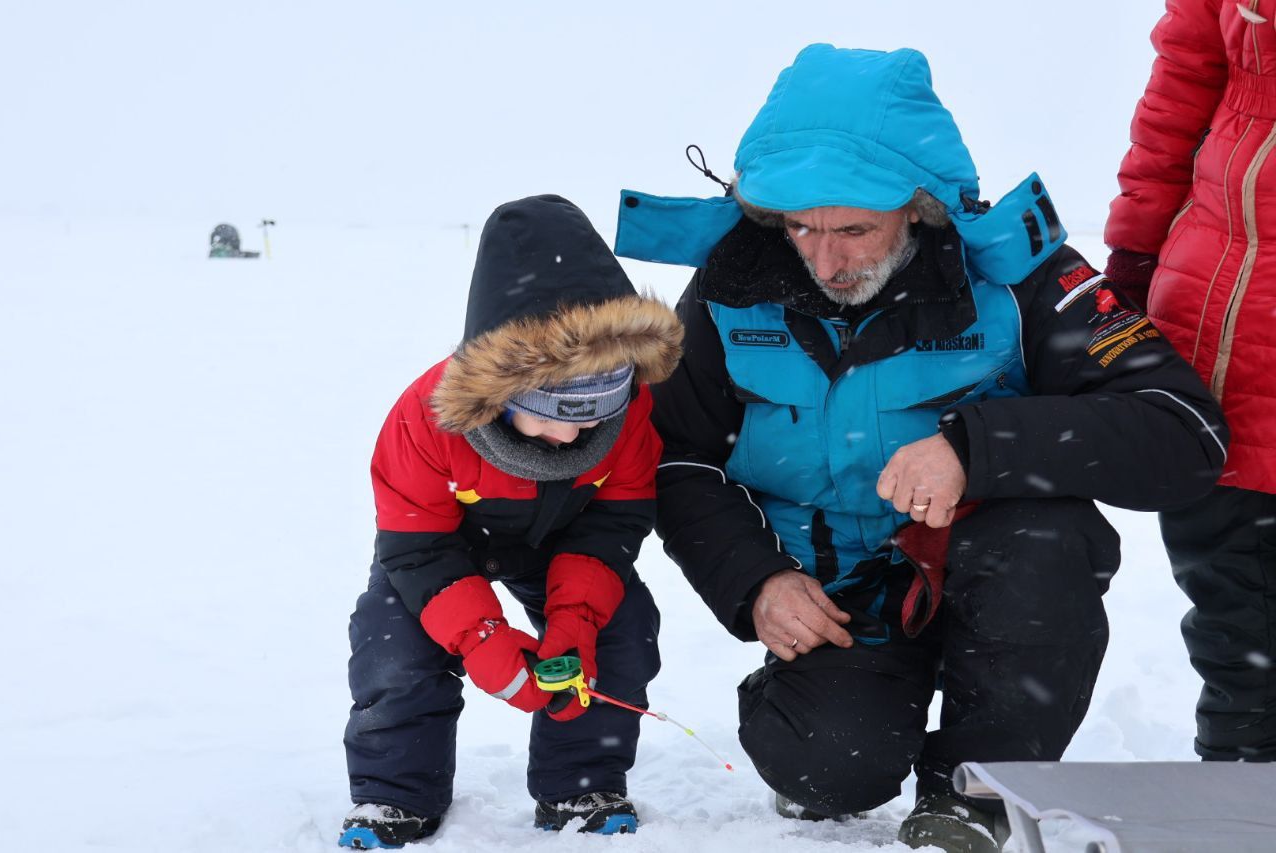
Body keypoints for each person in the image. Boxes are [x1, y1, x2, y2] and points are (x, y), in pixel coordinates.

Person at [636, 45, 1229, 852]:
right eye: (800, 226)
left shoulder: (1027, 278)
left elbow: (1182, 432)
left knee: (1044, 541)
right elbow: (676, 459)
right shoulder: (728, 287)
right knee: (825, 766)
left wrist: (975, 446)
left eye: (853, 229)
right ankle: (836, 709)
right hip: (843, 596)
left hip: (996, 574)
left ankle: (979, 784)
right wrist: (757, 581)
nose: (824, 258)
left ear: (919, 207)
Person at [339, 195, 682, 848]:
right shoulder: (422, 419)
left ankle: (581, 782)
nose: (578, 423)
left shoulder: (629, 420)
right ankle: (396, 796)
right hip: (444, 553)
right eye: (555, 401)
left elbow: (612, 525)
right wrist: (483, 639)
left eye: (602, 393)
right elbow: (415, 550)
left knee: (621, 628)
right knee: (394, 645)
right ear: (501, 386)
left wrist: (575, 618)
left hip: (559, 543)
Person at [1105, 0, 1276, 763]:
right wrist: (1135, 249)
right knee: (1233, 593)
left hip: (1228, 298)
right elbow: (1180, 87)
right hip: (1223, 312)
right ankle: (1241, 781)